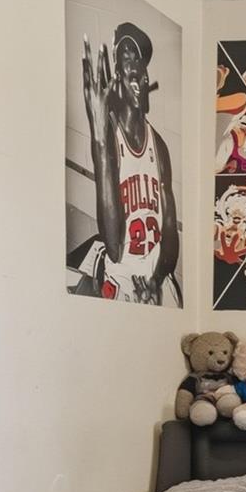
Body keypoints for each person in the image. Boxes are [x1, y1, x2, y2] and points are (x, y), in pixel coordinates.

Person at [81, 22, 179, 303]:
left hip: (158, 273)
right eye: (126, 55)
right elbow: (113, 245)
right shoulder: (109, 135)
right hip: (122, 274)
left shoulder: (158, 145)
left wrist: (157, 280)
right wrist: (98, 132)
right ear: (116, 74)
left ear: (147, 80)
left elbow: (170, 228)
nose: (134, 64)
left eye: (140, 60)